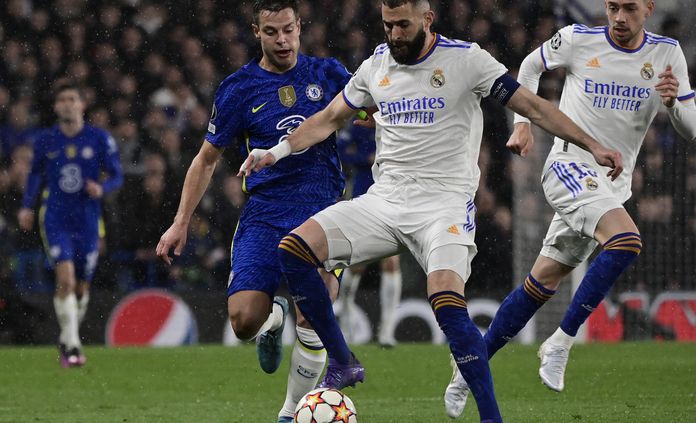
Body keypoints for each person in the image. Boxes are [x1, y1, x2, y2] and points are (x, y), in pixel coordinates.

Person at [240, 1, 623, 421]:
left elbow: (531, 106)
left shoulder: (467, 60)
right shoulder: (377, 65)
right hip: (385, 199)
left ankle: (491, 417)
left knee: (444, 299)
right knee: (293, 249)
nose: (395, 34)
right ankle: (343, 360)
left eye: (403, 24)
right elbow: (329, 118)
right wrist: (275, 152)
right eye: (388, 25)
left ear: (427, 19)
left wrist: (593, 145)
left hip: (444, 205)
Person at [443, 0, 696, 416]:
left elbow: (691, 130)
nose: (619, 17)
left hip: (610, 188)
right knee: (625, 240)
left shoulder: (667, 53)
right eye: (613, 7)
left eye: (629, 8)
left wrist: (673, 104)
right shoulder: (579, 40)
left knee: (541, 282)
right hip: (568, 167)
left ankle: (466, 370)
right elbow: (528, 66)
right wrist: (522, 124)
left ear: (649, 8)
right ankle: (561, 341)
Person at [154, 1, 352, 421]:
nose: (282, 40)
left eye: (288, 30)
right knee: (243, 321)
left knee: (314, 310)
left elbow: (369, 110)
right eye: (271, 32)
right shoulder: (238, 88)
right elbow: (207, 159)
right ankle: (271, 319)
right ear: (256, 32)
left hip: (322, 209)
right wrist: (180, 222)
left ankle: (289, 412)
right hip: (265, 212)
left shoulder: (328, 74)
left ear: (300, 27)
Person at [17, 83, 123, 367]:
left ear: (81, 105)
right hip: (55, 217)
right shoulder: (45, 140)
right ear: (55, 107)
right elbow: (35, 176)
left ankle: (66, 337)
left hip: (88, 220)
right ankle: (74, 347)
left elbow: (117, 175)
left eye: (72, 99)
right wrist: (27, 206)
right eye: (61, 99)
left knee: (82, 288)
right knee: (65, 280)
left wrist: (102, 188)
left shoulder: (99, 139)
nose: (66, 104)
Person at [336, 122, 402, 347]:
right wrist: (366, 157)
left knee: (391, 263)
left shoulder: (396, 121)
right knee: (356, 264)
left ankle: (387, 331)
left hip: (391, 199)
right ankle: (343, 317)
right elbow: (340, 147)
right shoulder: (358, 124)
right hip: (364, 199)